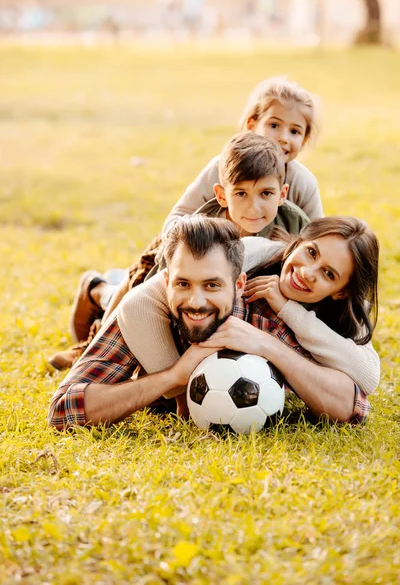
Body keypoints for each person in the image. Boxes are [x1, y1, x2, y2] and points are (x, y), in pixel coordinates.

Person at [47, 215, 377, 431]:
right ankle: (102, 289)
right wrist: (174, 378)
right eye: (311, 253)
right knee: (117, 304)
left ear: (239, 284)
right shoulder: (155, 306)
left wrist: (271, 349)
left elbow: (355, 405)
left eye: (213, 285)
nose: (307, 272)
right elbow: (64, 410)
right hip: (142, 294)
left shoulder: (272, 315)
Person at [49, 129, 310, 369]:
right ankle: (95, 310)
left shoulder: (295, 223)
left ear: (283, 193)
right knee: (131, 289)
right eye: (241, 194)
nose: (254, 207)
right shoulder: (201, 231)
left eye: (266, 194)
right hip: (166, 274)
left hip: (230, 298)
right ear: (221, 196)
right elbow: (152, 298)